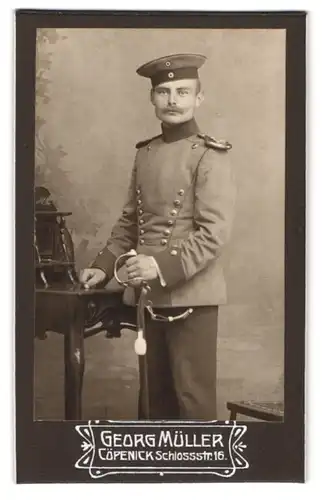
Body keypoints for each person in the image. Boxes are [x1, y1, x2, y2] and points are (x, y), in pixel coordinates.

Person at [80, 53, 236, 420]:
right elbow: (130, 223)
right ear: (152, 100)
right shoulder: (146, 153)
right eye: (163, 92)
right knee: (153, 405)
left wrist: (158, 265)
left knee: (192, 403)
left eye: (183, 92)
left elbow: (214, 234)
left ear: (199, 98)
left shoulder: (210, 155)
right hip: (148, 297)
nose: (172, 100)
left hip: (191, 295)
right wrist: (102, 268)